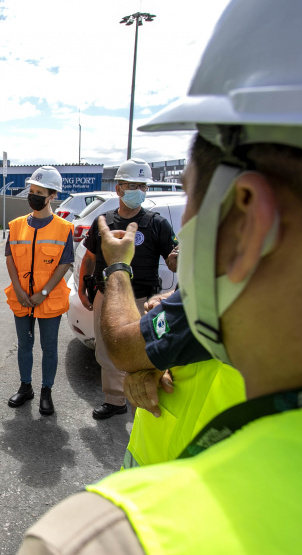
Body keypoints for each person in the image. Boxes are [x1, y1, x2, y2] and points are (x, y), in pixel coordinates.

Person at [20, 1, 302, 552]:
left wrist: (122, 276)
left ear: (243, 224)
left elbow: (128, 341)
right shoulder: (219, 326)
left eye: (191, 196)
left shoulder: (108, 538)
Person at [99, 283, 245, 469]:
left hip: (186, 468)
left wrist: (117, 269)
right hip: (160, 453)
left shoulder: (223, 287)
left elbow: (124, 348)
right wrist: (172, 297)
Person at [78, 158, 178, 420]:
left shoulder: (157, 224)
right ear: (119, 188)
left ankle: (142, 403)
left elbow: (173, 260)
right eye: (133, 185)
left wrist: (177, 259)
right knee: (107, 351)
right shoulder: (103, 222)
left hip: (142, 299)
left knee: (143, 353)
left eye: (143, 186)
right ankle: (114, 400)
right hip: (107, 296)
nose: (139, 191)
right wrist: (82, 288)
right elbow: (90, 257)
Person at [4, 166, 74, 415]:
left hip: (48, 298)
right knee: (24, 344)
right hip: (22, 297)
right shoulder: (16, 226)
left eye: (39, 192)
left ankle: (46, 391)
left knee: (49, 347)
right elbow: (10, 258)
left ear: (52, 196)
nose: (33, 196)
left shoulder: (64, 228)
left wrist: (42, 293)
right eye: (31, 190)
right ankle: (26, 387)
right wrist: (19, 290)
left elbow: (65, 263)